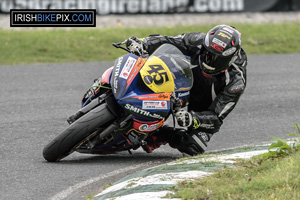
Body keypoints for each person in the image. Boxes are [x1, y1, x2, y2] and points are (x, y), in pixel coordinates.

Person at [125, 24, 248, 156]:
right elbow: (168, 40)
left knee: (194, 146)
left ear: (232, 59)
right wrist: (143, 43)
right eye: (207, 54)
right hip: (180, 82)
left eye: (218, 61)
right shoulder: (198, 40)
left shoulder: (236, 81)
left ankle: (160, 134)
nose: (209, 62)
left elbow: (217, 117)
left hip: (201, 106)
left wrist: (192, 118)